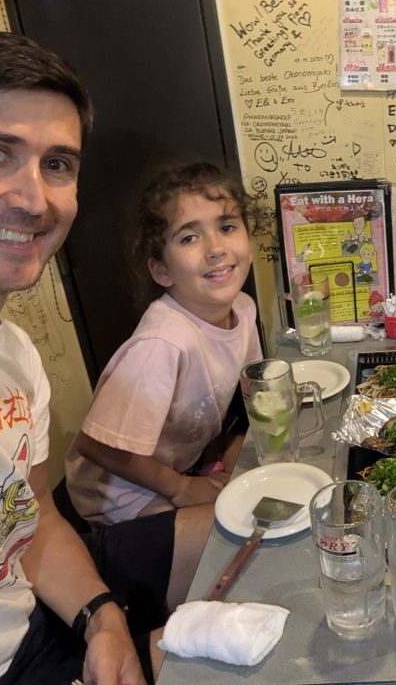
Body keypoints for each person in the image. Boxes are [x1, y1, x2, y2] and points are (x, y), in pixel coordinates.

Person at [0, 31, 206, 685]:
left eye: (57, 164)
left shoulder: (13, 351)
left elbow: (32, 509)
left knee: (259, 537)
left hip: (32, 609)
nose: (34, 200)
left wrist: (103, 618)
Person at [65, 162, 261, 524]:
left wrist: (215, 457)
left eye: (227, 227)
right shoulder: (164, 343)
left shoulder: (244, 308)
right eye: (189, 238)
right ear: (162, 270)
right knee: (236, 533)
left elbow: (227, 393)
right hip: (121, 494)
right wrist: (179, 487)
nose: (216, 248)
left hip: (182, 465)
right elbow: (95, 445)